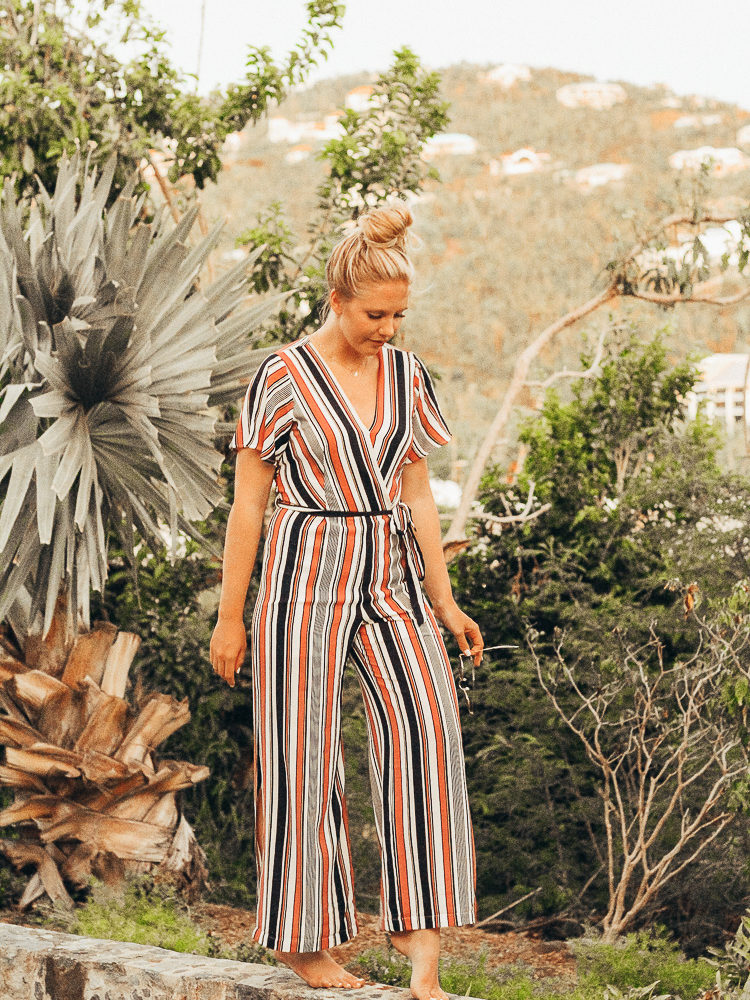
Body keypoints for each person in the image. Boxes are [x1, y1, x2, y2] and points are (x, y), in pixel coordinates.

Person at [210, 204, 483, 1000]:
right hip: (304, 566)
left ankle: (421, 949)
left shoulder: (405, 375)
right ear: (337, 300)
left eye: (400, 314)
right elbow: (248, 507)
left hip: (389, 565)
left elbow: (419, 494)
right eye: (375, 314)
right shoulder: (282, 377)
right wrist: (232, 617)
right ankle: (303, 940)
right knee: (303, 752)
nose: (388, 328)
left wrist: (444, 598)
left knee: (426, 733)